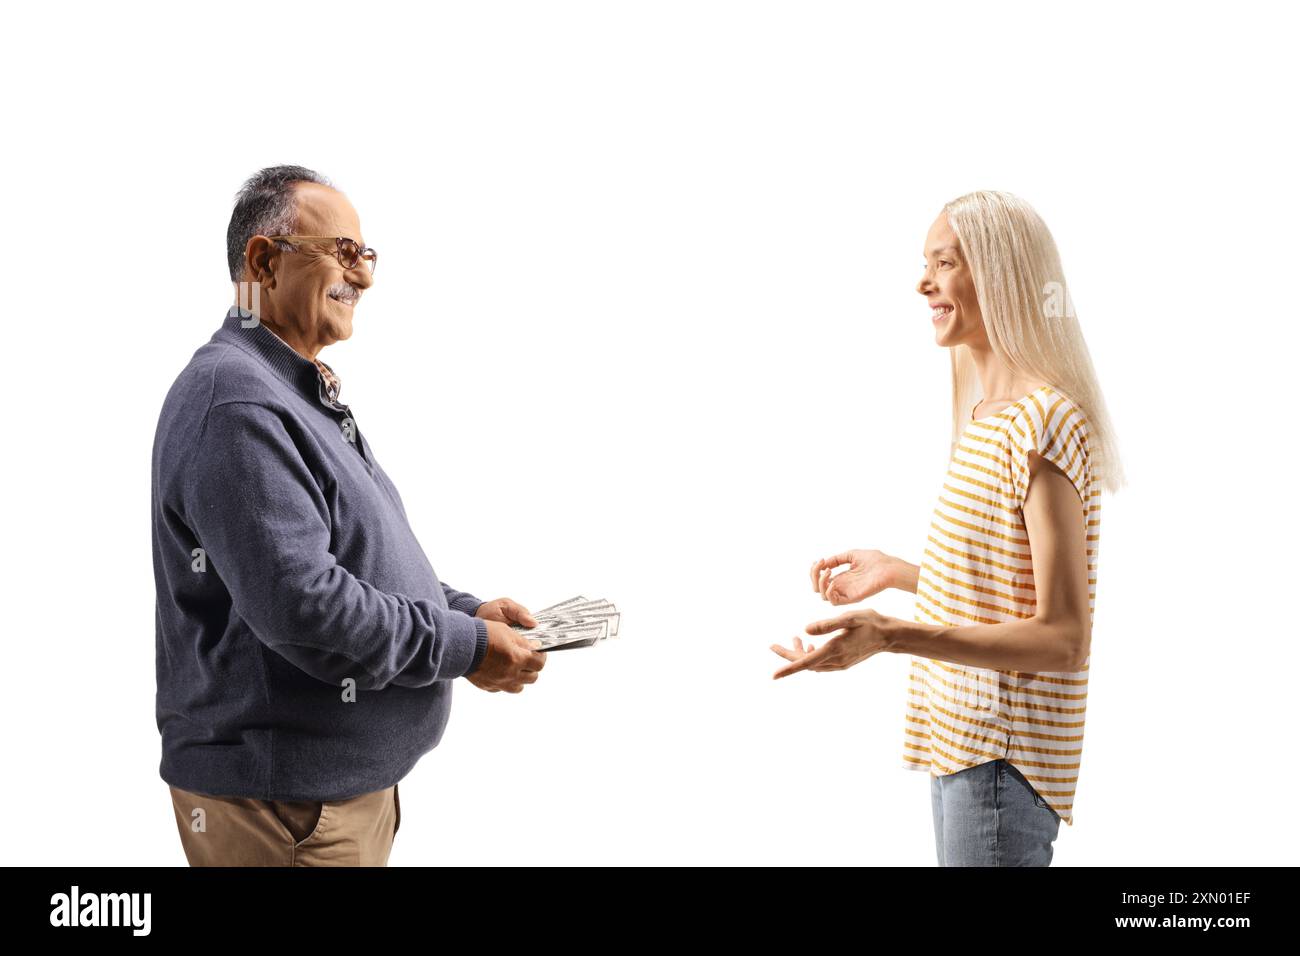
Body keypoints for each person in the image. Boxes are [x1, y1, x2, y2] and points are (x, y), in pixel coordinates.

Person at [152, 165, 547, 866]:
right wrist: (465, 646)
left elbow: (352, 559)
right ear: (263, 261)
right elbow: (304, 607)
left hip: (327, 801)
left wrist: (468, 612)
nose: (362, 276)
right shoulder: (238, 402)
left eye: (366, 255)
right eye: (342, 251)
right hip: (288, 811)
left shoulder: (289, 390)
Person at [770, 190, 1125, 866]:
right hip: (961, 743)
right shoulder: (989, 414)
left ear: (997, 275)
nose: (923, 282)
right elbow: (1007, 594)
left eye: (944, 263)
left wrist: (892, 636)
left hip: (1001, 759)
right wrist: (902, 574)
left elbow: (1062, 638)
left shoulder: (1044, 424)